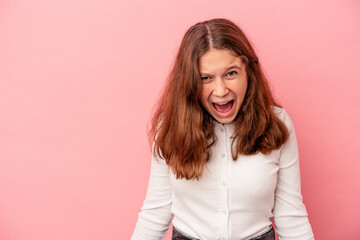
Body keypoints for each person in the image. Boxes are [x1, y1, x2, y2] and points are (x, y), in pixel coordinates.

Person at [131, 18, 314, 240]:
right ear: (190, 82)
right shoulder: (169, 127)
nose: (220, 90)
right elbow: (155, 212)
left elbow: (290, 215)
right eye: (205, 78)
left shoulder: (278, 124)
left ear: (249, 72)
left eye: (231, 73)